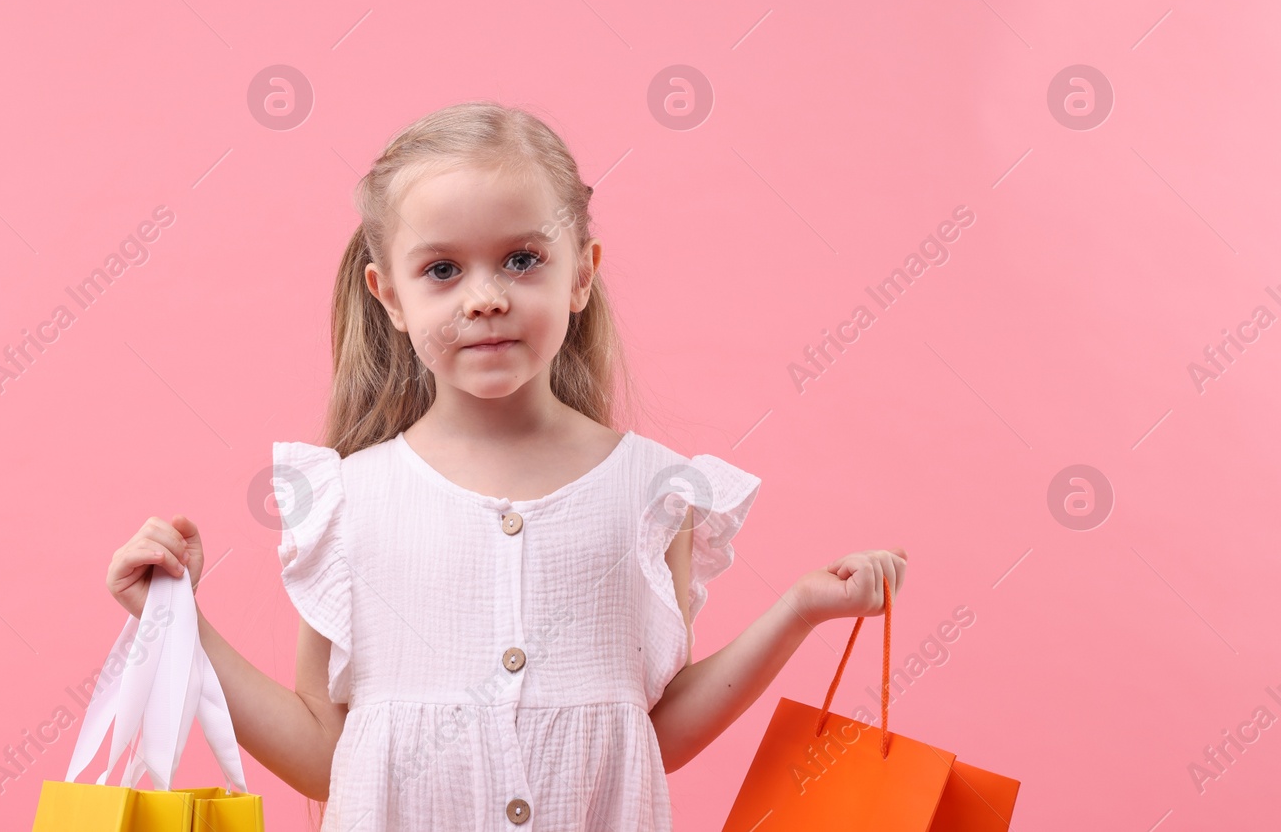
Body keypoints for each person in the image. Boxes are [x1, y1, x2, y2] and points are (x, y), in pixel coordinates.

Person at [105, 101, 907, 830]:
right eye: (443, 270)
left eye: (521, 259)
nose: (484, 297)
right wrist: (177, 621)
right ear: (389, 297)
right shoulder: (349, 501)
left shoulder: (653, 493)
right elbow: (325, 751)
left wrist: (799, 607)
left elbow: (651, 731)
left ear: (582, 272)